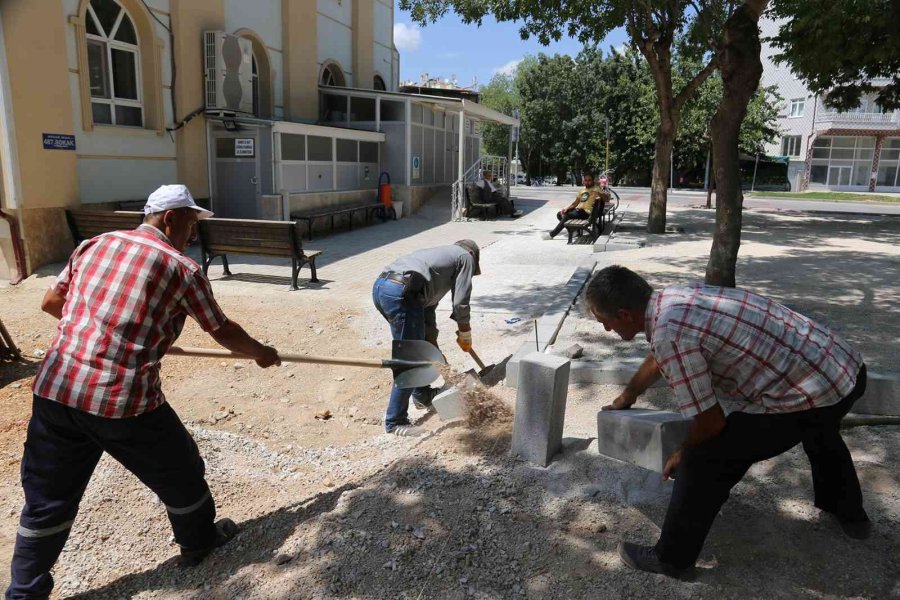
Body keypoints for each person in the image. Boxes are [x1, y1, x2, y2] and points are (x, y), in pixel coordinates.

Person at [6, 185, 280, 599]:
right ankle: (199, 541)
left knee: (48, 498)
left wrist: (113, 329)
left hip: (55, 390)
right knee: (180, 470)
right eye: (190, 225)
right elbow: (221, 329)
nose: (192, 235)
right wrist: (262, 353)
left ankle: (23, 592)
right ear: (170, 219)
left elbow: (51, 302)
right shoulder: (181, 267)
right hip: (121, 399)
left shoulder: (94, 244)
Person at [584, 266, 870, 578]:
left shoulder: (669, 334)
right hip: (844, 370)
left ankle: (671, 559)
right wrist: (630, 394)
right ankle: (852, 516)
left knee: (705, 458)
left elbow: (710, 423)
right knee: (821, 428)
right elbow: (660, 353)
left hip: (814, 389)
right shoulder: (673, 298)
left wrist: (682, 452)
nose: (607, 331)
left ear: (625, 315)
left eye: (605, 323)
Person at [372, 240, 480, 436]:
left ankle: (422, 394)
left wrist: (445, 368)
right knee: (410, 357)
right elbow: (461, 303)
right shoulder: (465, 258)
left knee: (419, 345)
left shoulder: (439, 263)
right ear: (473, 255)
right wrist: (465, 331)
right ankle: (395, 421)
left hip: (383, 288)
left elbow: (428, 329)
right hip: (402, 291)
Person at [542, 172, 606, 239]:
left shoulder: (596, 189)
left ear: (593, 181)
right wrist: (567, 208)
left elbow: (607, 198)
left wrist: (599, 194)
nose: (587, 182)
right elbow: (575, 203)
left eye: (589, 180)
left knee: (568, 216)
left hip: (587, 213)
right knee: (560, 214)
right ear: (584, 181)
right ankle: (573, 231)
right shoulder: (582, 190)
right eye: (586, 180)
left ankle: (552, 234)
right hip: (579, 211)